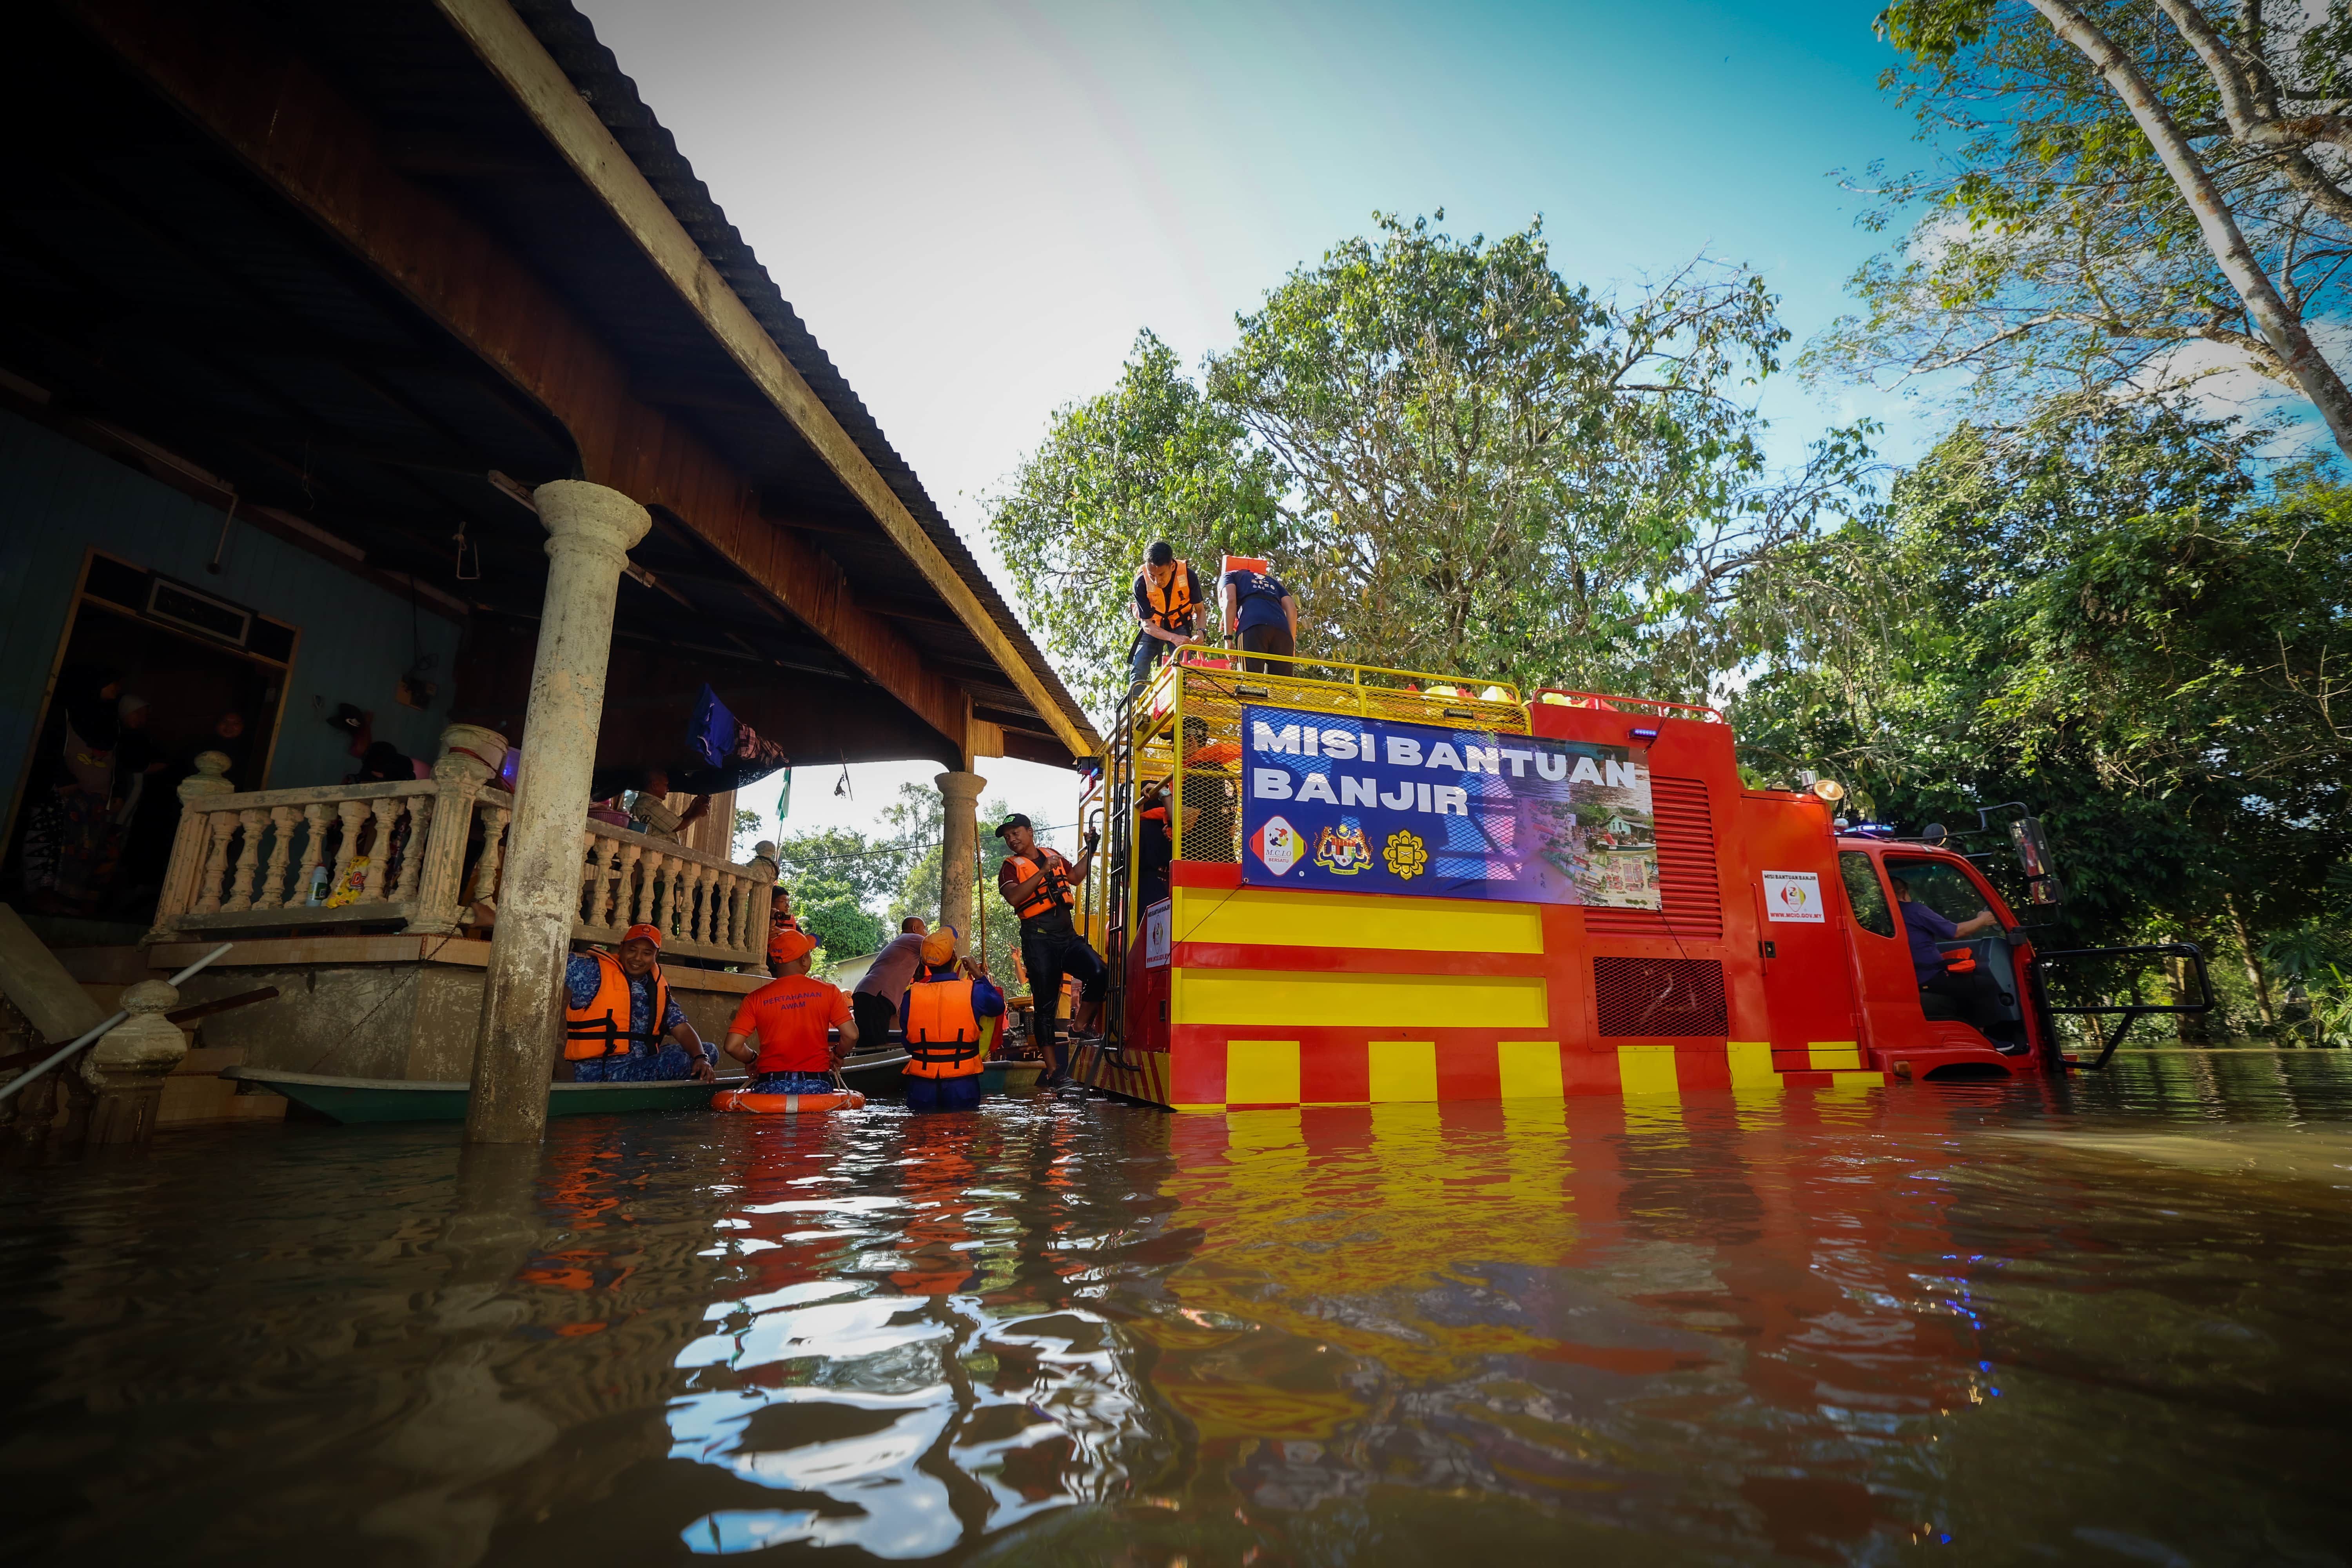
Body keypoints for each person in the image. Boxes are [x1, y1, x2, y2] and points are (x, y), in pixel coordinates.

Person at [996, 813, 1105, 1086]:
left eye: (1015, 833)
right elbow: (1015, 897)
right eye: (1007, 837)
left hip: (1066, 938)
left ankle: (1078, 1028)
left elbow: (1076, 877)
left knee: (1100, 971)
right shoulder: (1009, 868)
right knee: (1045, 1007)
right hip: (1038, 941)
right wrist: (1043, 871)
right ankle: (1056, 1073)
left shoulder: (1051, 854)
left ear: (1030, 832)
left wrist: (1090, 850)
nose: (1011, 839)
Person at [562, 923, 717, 1082]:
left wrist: (701, 1057)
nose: (637, 958)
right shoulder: (592, 972)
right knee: (682, 1061)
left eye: (647, 953)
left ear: (656, 955)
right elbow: (554, 957)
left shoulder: (657, 987)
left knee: (708, 1052)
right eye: (632, 950)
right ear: (621, 948)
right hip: (602, 1073)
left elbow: (681, 1028)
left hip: (640, 1066)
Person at [723, 927, 857, 1093]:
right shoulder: (830, 992)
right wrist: (838, 1054)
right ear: (805, 960)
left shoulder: (755, 999)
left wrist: (752, 1059)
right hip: (816, 1083)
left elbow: (732, 1046)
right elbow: (852, 1035)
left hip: (771, 1084)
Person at [1892, 872, 2014, 1044]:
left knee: (1961, 985)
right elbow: (1956, 932)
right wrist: (1983, 919)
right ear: (1904, 892)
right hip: (1927, 977)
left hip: (1909, 977)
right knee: (1983, 986)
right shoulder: (1913, 910)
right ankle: (1982, 1041)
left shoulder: (1884, 916)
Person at [899, 925, 1006, 1113]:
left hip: (922, 1087)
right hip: (962, 1084)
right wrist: (979, 975)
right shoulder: (973, 990)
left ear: (926, 964)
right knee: (962, 1136)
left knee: (922, 1138)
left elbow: (908, 1042)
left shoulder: (911, 995)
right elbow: (997, 1006)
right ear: (955, 958)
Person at [1129, 541, 1206, 690]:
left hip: (1179, 624)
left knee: (1183, 666)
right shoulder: (1141, 583)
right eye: (1153, 575)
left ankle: (1184, 703)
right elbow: (1146, 624)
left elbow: (1201, 610)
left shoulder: (1189, 577)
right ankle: (1135, 708)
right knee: (1139, 667)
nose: (1157, 581)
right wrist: (1172, 638)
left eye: (1162, 575)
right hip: (1153, 627)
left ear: (1172, 566)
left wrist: (1201, 632)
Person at [852, 916, 928, 1059]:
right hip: (877, 995)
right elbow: (937, 947)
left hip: (867, 992)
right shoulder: (912, 938)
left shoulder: (902, 943)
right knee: (873, 1048)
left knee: (866, 1046)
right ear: (914, 929)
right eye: (925, 929)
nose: (926, 933)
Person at [1221, 559, 1298, 675]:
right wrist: (1291, 645)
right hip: (1282, 630)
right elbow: (1292, 609)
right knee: (1281, 688)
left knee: (1250, 684)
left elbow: (1230, 601)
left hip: (1252, 625)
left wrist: (1228, 640)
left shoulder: (1229, 575)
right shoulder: (1271, 581)